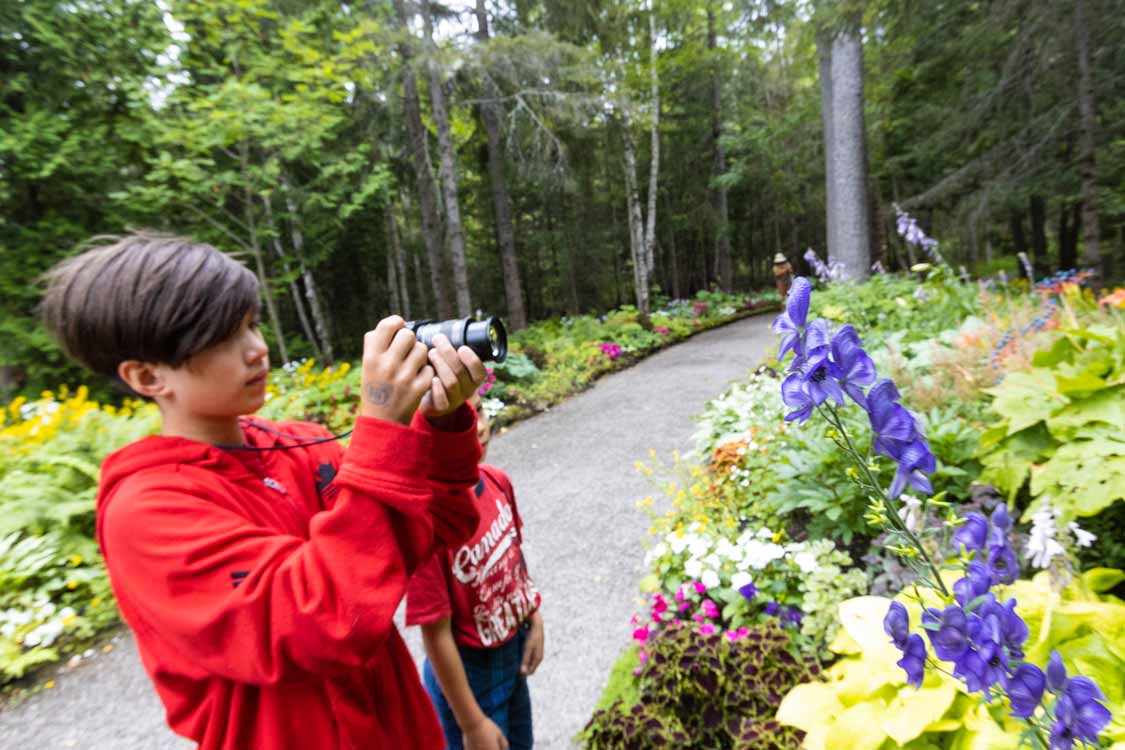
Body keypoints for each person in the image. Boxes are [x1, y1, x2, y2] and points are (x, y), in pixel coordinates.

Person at [38, 232, 488, 750]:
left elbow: (436, 529)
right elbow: (323, 621)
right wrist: (381, 428)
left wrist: (443, 422)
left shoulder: (300, 445)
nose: (257, 349)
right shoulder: (147, 514)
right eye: (222, 338)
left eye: (250, 324)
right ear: (145, 376)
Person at [406, 391, 544, 750]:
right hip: (467, 681)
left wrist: (535, 617)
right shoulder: (427, 522)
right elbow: (435, 635)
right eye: (461, 419)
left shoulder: (497, 481)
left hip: (511, 658)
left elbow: (513, 559)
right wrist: (471, 722)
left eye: (480, 411)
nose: (479, 428)